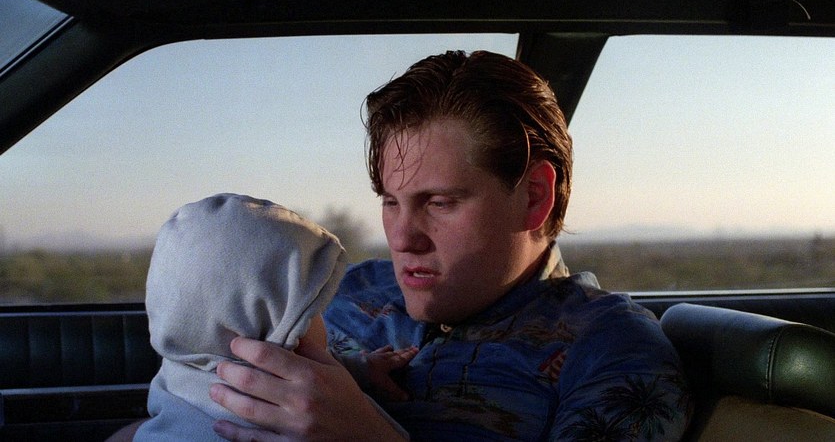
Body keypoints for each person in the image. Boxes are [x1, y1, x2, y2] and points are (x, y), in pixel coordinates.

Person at [210, 51, 692, 440]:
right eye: (391, 202)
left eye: (439, 203)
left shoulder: (613, 351)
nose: (402, 239)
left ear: (534, 197)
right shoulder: (342, 290)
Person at [119, 193, 412, 441]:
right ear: (278, 329)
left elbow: (310, 376)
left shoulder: (184, 357)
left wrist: (362, 368)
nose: (321, 317)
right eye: (312, 309)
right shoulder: (279, 423)